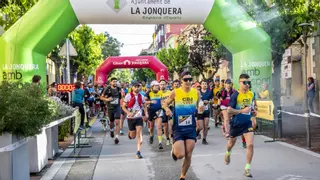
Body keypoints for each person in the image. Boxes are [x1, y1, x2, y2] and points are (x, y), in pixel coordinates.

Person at [163, 71, 203, 180]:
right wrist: (167, 109)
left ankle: (182, 176)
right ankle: (174, 150)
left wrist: (200, 112)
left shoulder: (196, 93)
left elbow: (200, 105)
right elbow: (165, 103)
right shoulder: (175, 92)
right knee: (180, 155)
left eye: (190, 79)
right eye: (186, 79)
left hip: (191, 127)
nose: (188, 81)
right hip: (179, 128)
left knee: (188, 155)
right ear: (181, 81)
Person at [224, 73, 257, 178]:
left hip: (247, 123)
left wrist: (254, 112)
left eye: (248, 82)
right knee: (231, 144)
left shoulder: (251, 94)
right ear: (239, 83)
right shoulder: (235, 95)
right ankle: (228, 153)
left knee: (250, 145)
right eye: (244, 82)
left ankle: (247, 168)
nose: (247, 84)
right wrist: (242, 111)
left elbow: (252, 107)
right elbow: (229, 110)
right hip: (236, 124)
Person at [122, 82, 147, 159]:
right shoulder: (128, 96)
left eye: (138, 87)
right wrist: (128, 112)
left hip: (138, 117)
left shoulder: (142, 96)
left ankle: (138, 152)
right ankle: (130, 133)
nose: (137, 88)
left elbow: (144, 105)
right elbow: (123, 106)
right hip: (131, 118)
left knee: (139, 134)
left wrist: (145, 114)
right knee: (133, 136)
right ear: (132, 87)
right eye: (135, 87)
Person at [101, 77, 122, 144]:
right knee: (111, 122)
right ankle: (111, 130)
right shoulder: (107, 88)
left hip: (117, 107)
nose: (115, 83)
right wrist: (107, 99)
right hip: (110, 107)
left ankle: (116, 137)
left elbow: (121, 98)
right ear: (111, 82)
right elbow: (101, 97)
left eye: (116, 81)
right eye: (113, 82)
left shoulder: (119, 88)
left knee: (117, 122)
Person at [145, 80, 163, 149]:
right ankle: (151, 135)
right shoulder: (149, 93)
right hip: (151, 111)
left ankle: (160, 142)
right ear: (152, 87)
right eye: (156, 86)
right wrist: (151, 101)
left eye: (158, 86)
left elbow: (161, 101)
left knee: (159, 126)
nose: (157, 87)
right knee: (152, 127)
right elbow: (144, 102)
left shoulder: (160, 92)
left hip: (159, 111)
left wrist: (163, 105)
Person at [196, 80, 213, 145]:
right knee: (200, 127)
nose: (204, 85)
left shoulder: (209, 92)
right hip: (200, 111)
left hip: (206, 111)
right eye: (203, 84)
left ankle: (204, 139)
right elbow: (195, 101)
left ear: (207, 85)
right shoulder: (198, 92)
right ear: (201, 85)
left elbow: (212, 100)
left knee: (206, 126)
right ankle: (197, 132)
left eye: (205, 84)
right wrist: (200, 104)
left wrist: (208, 102)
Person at [159, 79, 173, 145]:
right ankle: (167, 138)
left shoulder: (170, 92)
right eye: (161, 84)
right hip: (162, 110)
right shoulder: (158, 93)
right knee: (165, 126)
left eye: (164, 84)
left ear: (166, 85)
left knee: (171, 123)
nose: (162, 85)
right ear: (159, 85)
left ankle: (172, 137)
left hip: (170, 108)